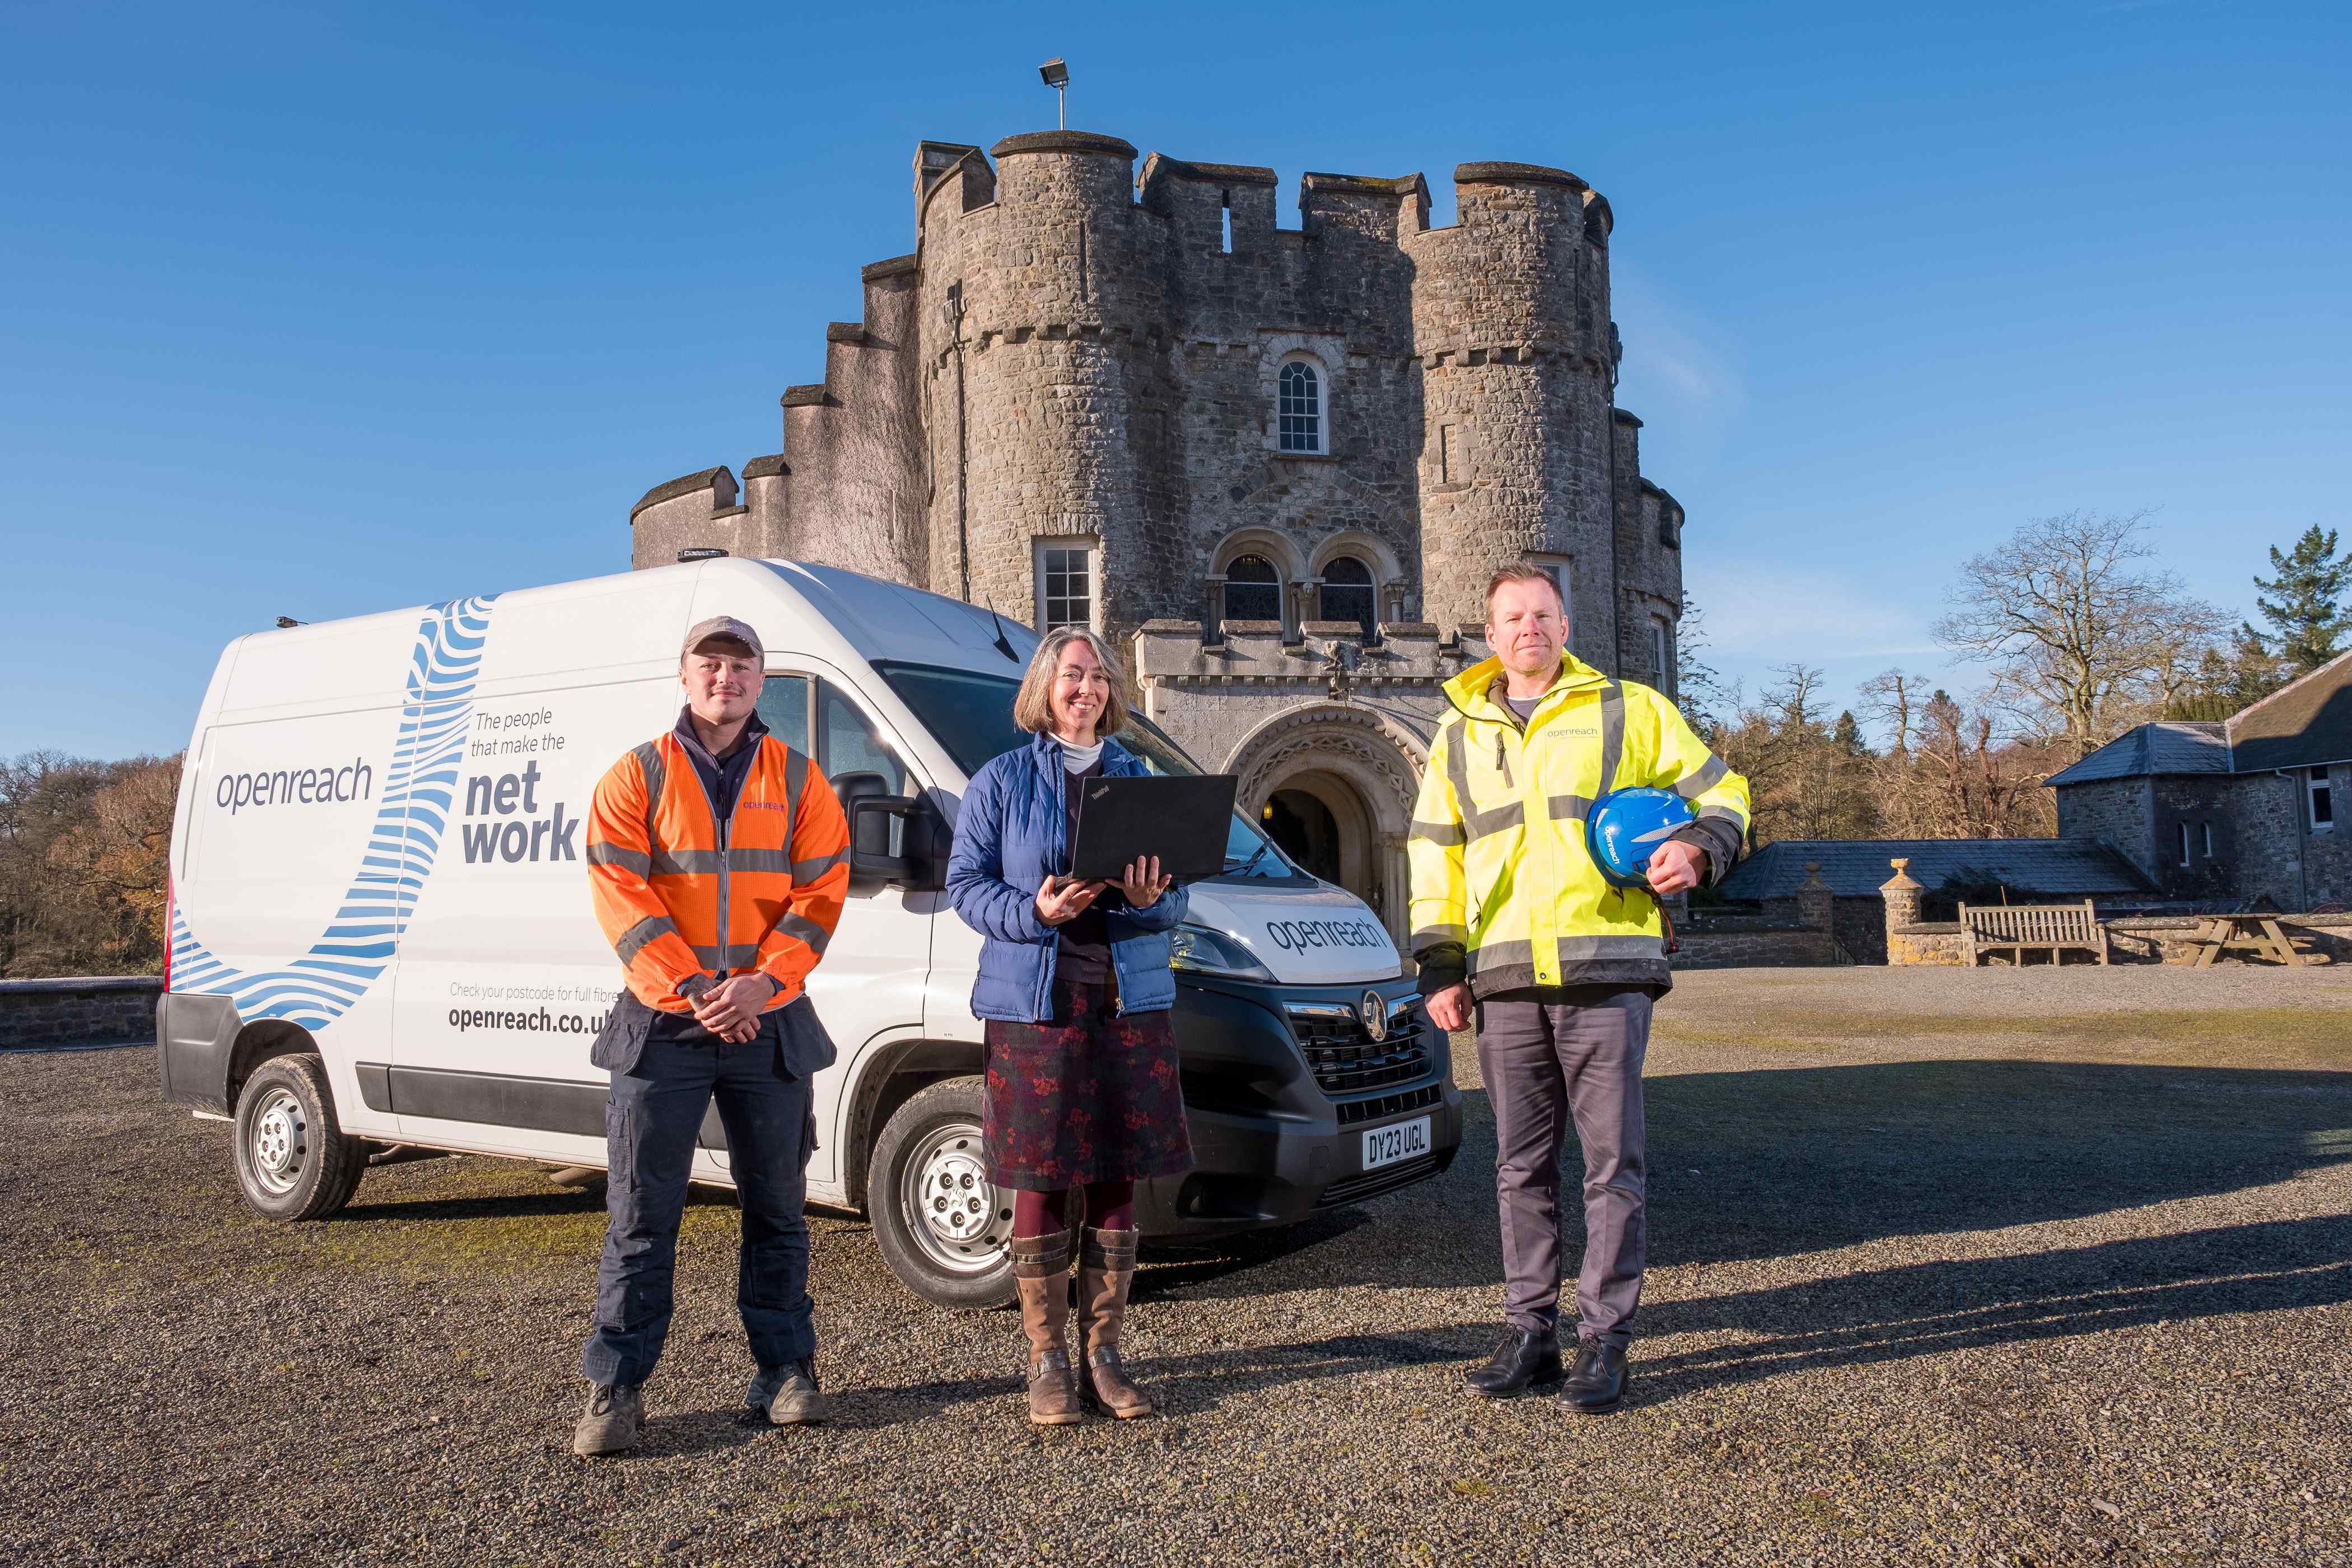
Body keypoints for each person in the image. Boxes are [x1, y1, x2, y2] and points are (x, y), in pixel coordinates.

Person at [1408, 564, 1751, 1412]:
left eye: (1544, 613)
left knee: (1611, 1167)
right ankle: (1531, 1331)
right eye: (1512, 617)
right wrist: (1441, 962)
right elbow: (1434, 853)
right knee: (1518, 1167)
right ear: (1490, 637)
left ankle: (1606, 1340)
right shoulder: (1456, 734)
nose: (1529, 628)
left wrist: (1702, 845)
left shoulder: (1632, 710)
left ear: (1567, 625)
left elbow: (1725, 791)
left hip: (1607, 969)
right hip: (1507, 976)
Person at [570, 615, 851, 1457]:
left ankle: (786, 1371)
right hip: (664, 1024)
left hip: (767, 1022)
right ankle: (615, 1389)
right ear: (684, 676)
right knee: (642, 1215)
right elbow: (620, 892)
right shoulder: (635, 776)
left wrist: (761, 983)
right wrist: (697, 988)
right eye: (710, 663)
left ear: (762, 680)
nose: (725, 677)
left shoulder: (803, 781)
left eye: (741, 664)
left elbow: (822, 891)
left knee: (778, 1210)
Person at [944, 627, 1193, 1425]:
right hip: (1037, 1006)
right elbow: (965, 888)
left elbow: (1183, 893)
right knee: (1042, 1176)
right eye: (1070, 675)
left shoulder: (1141, 777)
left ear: (1111, 691)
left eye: (1095, 676)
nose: (1084, 688)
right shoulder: (1002, 780)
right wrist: (1035, 910)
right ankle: (1047, 1361)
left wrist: (1158, 901)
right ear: (1045, 689)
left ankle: (1106, 1354)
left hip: (1127, 1002)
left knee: (1118, 1174)